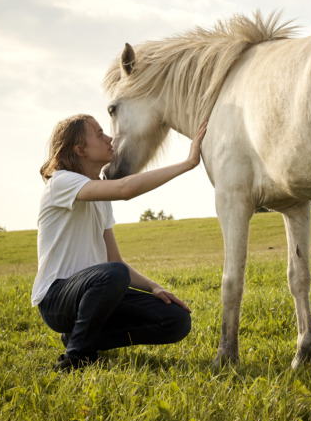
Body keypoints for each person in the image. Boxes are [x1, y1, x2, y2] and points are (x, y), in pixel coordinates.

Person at [31, 114, 208, 371]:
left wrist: (154, 287)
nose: (109, 138)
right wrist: (188, 162)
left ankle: (80, 337)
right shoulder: (60, 182)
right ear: (79, 149)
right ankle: (76, 358)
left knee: (176, 319)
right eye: (99, 134)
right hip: (58, 298)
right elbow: (125, 189)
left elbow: (114, 260)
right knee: (114, 275)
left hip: (97, 292)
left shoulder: (100, 195)